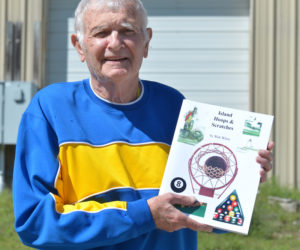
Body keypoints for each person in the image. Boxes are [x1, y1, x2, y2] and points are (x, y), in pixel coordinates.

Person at [12, 0, 274, 249]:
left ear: (146, 42)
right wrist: (145, 215)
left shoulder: (172, 106)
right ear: (79, 46)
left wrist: (239, 183)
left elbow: (197, 212)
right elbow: (35, 222)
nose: (115, 43)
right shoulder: (50, 109)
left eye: (127, 31)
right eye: (101, 32)